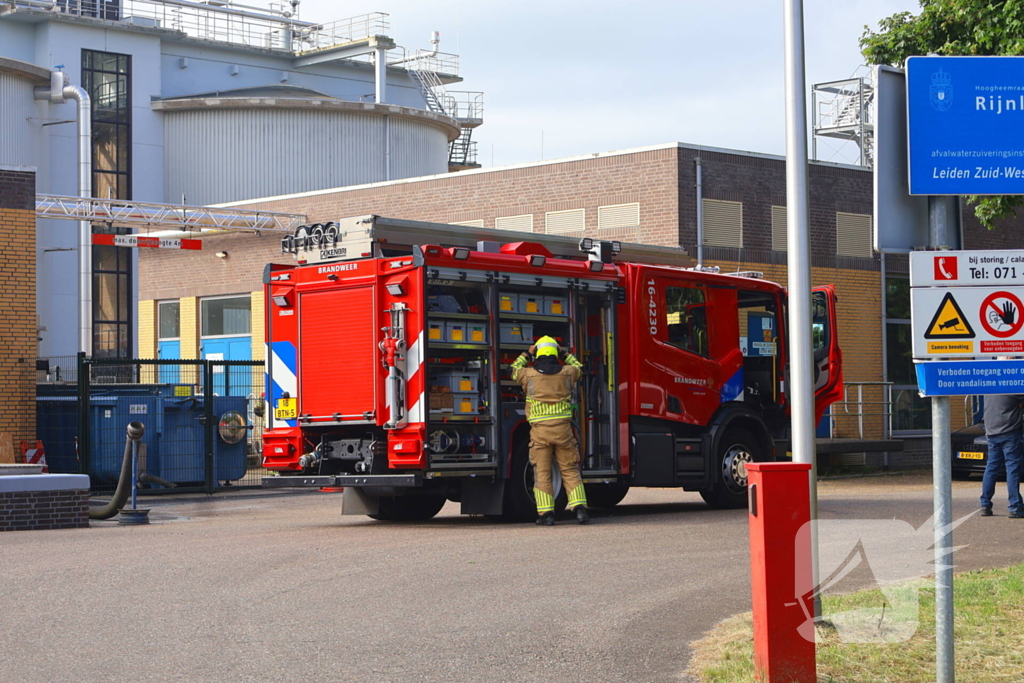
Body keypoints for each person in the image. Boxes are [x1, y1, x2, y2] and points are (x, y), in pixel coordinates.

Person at [510, 335, 590, 525]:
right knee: (570, 470)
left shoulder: (528, 374)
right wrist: (564, 353)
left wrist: (526, 354)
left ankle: (547, 515)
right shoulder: (568, 372)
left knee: (542, 472)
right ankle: (580, 510)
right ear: (555, 353)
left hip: (540, 433)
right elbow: (580, 367)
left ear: (537, 353)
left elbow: (512, 370)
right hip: (563, 431)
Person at [979, 394, 1023, 518]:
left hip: (992, 432)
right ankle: (1015, 506)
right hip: (1010, 432)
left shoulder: (989, 390)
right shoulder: (1011, 388)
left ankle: (985, 504)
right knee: (1013, 469)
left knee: (991, 468)